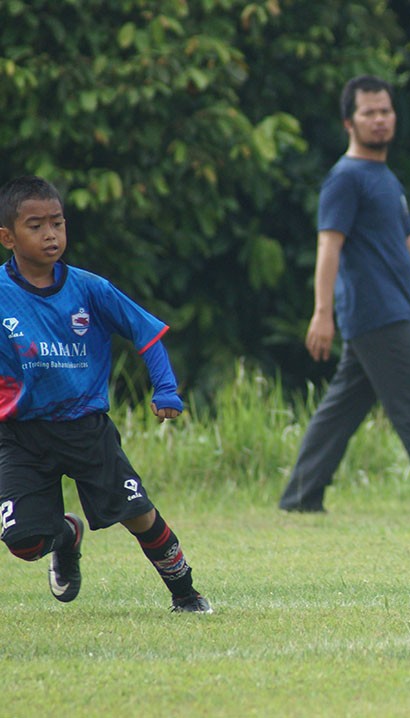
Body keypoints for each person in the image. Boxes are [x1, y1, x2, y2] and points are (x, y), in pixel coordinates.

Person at [278, 76, 410, 514]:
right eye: (369, 113)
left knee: (341, 410)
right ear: (349, 122)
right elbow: (328, 245)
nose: (379, 119)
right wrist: (322, 313)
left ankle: (299, 498)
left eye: (385, 111)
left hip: (387, 309)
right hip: (376, 312)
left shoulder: (384, 176)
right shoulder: (345, 178)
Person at [0, 176, 211, 613]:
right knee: (24, 543)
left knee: (137, 514)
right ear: (7, 237)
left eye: (57, 223)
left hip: (86, 428)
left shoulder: (89, 288)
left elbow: (145, 332)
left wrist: (166, 388)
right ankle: (65, 535)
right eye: (36, 226)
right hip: (19, 435)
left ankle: (186, 594)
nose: (50, 234)